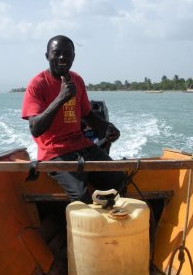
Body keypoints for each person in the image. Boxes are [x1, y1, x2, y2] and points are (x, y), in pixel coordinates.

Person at [21, 35, 126, 203]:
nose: (62, 57)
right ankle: (80, 227)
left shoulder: (77, 80)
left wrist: (107, 127)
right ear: (47, 56)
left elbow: (86, 114)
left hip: (81, 144)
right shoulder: (37, 84)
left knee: (118, 179)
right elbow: (35, 128)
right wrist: (61, 98)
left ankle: (112, 223)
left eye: (68, 53)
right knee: (80, 196)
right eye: (56, 53)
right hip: (54, 152)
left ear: (73, 57)